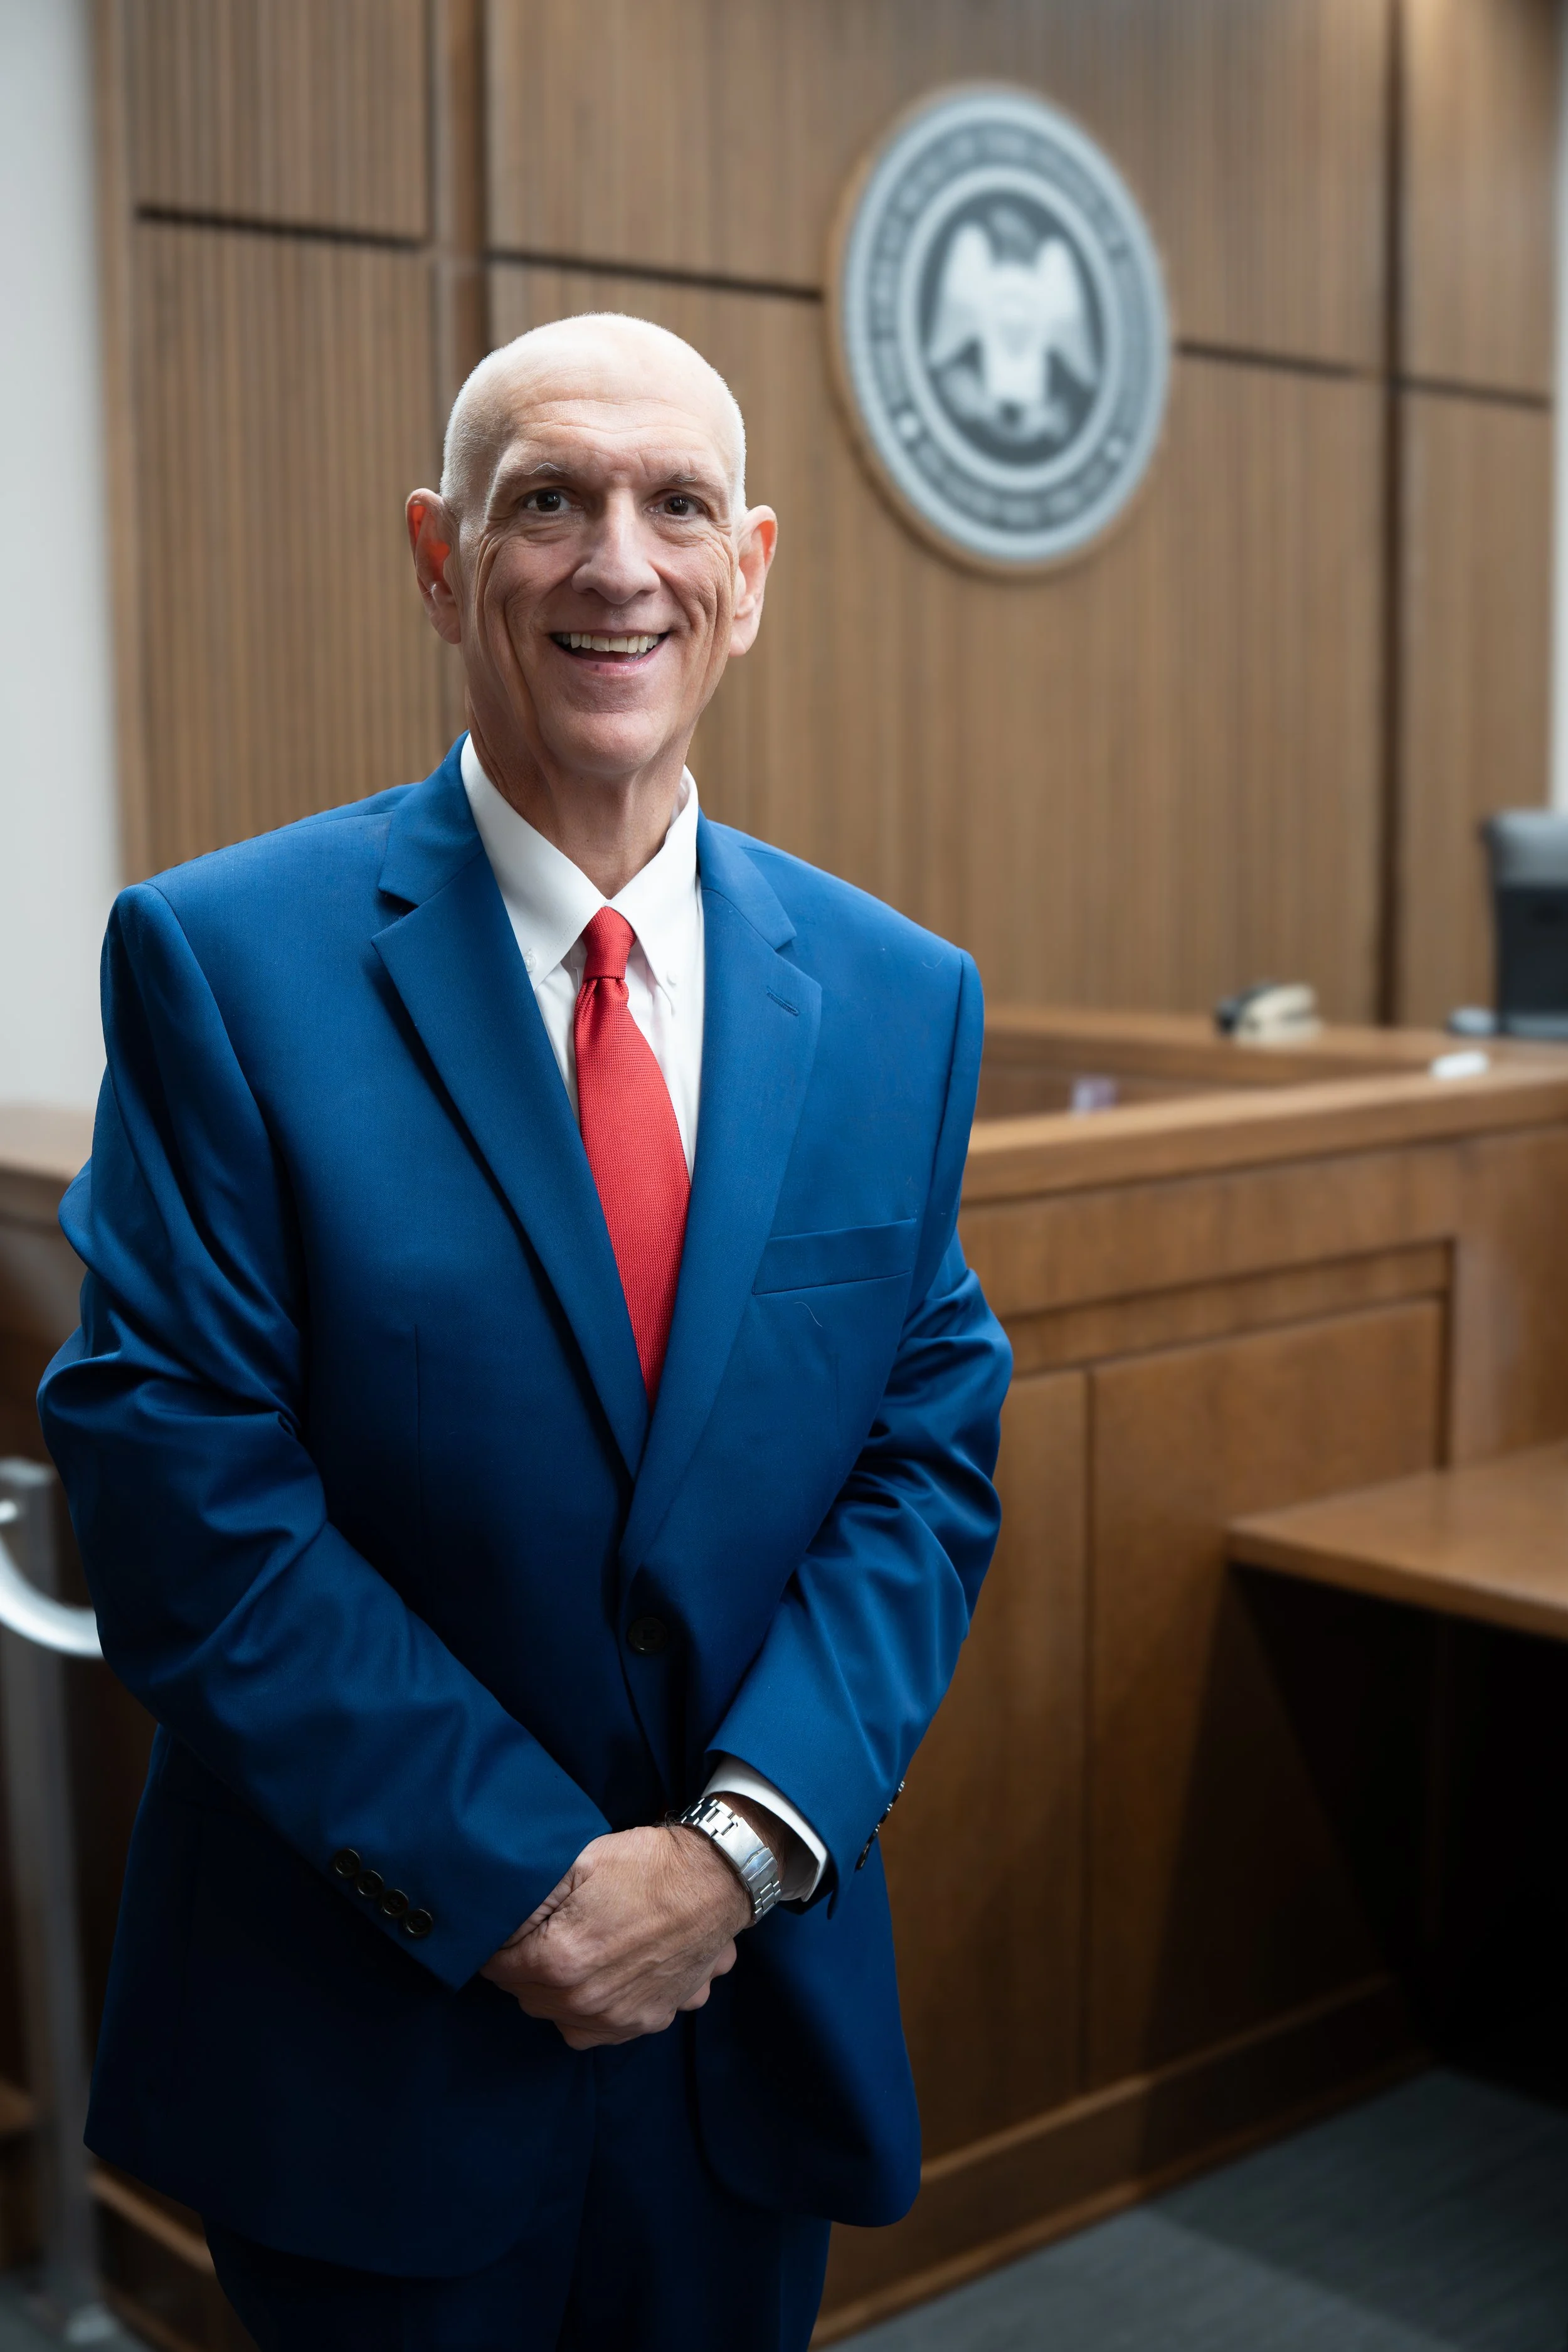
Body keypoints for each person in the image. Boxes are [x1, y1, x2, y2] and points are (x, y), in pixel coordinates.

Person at [40, 313, 1012, 2351]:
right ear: (436, 556)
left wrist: (738, 1851)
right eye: (545, 502)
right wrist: (530, 1890)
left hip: (742, 2016)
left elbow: (922, 1445)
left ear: (750, 570)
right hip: (373, 2023)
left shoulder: (897, 994)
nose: (615, 564)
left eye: (672, 507)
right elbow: (182, 1497)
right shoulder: (223, 964)